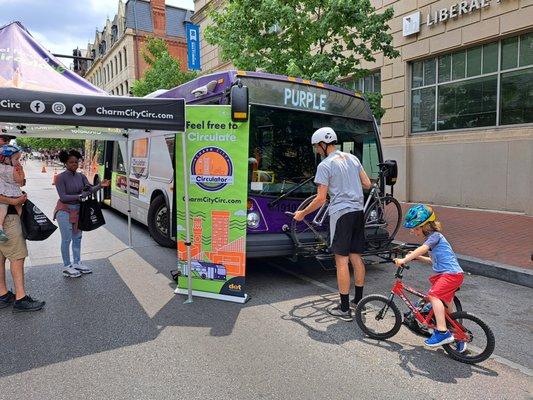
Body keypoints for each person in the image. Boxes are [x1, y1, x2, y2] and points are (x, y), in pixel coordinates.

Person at [293, 127, 372, 321]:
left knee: (341, 261)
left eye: (316, 147)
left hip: (341, 213)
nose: (316, 150)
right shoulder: (352, 158)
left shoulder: (325, 165)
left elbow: (320, 199)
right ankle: (358, 301)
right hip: (358, 212)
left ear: (323, 144)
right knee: (356, 257)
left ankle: (344, 309)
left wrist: (302, 213)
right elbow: (367, 184)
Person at [393, 204, 465, 350]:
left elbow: (423, 249)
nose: (413, 232)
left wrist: (405, 260)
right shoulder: (434, 239)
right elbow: (433, 260)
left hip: (450, 275)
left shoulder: (435, 236)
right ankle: (458, 336)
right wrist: (419, 258)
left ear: (427, 226)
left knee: (433, 296)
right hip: (451, 274)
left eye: (416, 228)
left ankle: (442, 332)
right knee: (447, 309)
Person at [54, 150, 110, 278]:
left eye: (76, 162)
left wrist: (100, 185)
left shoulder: (81, 176)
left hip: (79, 210)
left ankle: (77, 262)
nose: (74, 164)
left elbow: (89, 190)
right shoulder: (60, 178)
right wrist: (80, 195)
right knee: (67, 239)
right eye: (71, 162)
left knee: (77, 237)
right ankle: (67, 266)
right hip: (64, 211)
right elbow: (63, 197)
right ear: (65, 163)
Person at [0, 193, 45, 312]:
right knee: (17, 257)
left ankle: (2, 295)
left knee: (1, 257)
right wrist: (15, 201)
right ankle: (20, 298)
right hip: (8, 219)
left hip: (4, 218)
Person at [0, 145, 25, 242]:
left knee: (2, 209)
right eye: (16, 159)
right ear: (6, 158)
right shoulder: (12, 169)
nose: (18, 162)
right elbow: (20, 181)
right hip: (13, 192)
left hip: (3, 192)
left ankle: (0, 228)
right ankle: (24, 223)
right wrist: (21, 172)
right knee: (19, 208)